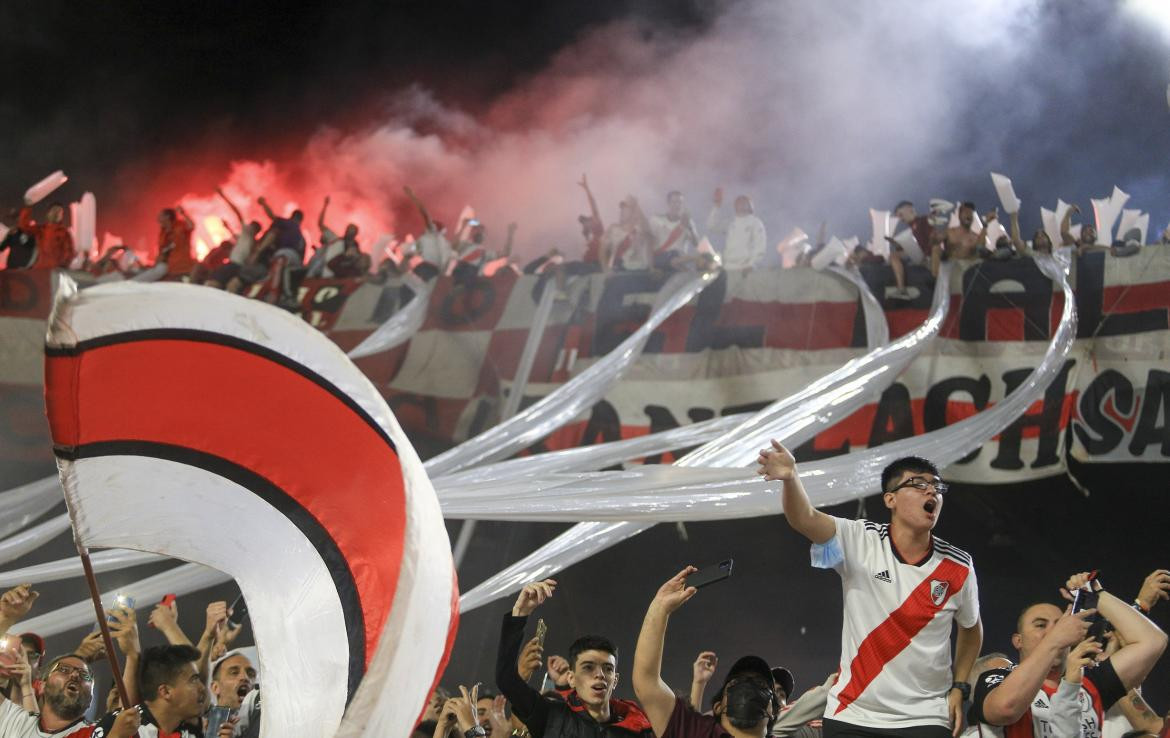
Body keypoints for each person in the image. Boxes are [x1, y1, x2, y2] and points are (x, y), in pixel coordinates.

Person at [757, 444, 982, 736]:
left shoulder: (958, 566)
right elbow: (806, 519)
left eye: (937, 487)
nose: (932, 493)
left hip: (926, 716)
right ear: (890, 499)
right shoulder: (860, 539)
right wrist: (790, 478)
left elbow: (971, 628)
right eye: (919, 484)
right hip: (854, 713)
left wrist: (960, 687)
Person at [968, 571, 1168, 737]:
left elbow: (1152, 642)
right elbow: (1005, 709)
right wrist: (1054, 641)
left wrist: (1096, 596)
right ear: (1018, 641)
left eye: (1059, 623)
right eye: (1040, 625)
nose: (1053, 630)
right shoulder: (999, 678)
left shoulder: (1089, 682)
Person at [632, 566, 781, 738]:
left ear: (773, 713)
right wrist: (660, 608)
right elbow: (647, 681)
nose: (748, 685)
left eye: (760, 685)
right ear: (717, 707)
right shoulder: (693, 731)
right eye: (735, 683)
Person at [496, 579, 653, 738]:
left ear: (616, 680)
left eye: (608, 668)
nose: (599, 674)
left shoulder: (637, 730)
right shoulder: (551, 717)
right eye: (588, 667)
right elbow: (506, 680)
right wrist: (520, 614)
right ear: (571, 678)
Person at [93, 645, 208, 738]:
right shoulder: (117, 724)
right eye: (193, 680)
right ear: (166, 692)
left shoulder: (194, 733)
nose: (202, 688)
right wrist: (116, 736)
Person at [0, 653, 106, 737]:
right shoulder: (16, 720)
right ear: (42, 686)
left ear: (91, 698)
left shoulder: (98, 732)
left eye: (84, 675)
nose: (75, 675)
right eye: (64, 669)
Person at [885, 200, 935, 299]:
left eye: (900, 214)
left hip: (928, 258)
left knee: (894, 256)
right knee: (893, 256)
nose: (900, 218)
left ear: (909, 209)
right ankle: (901, 289)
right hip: (918, 255)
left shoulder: (924, 221)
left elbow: (932, 240)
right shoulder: (911, 229)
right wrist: (895, 243)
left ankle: (901, 289)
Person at [707, 190, 767, 271]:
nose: (741, 204)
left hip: (746, 268)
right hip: (729, 266)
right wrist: (717, 206)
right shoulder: (731, 223)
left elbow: (760, 246)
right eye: (738, 202)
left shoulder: (755, 223)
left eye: (744, 202)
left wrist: (752, 264)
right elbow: (712, 225)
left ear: (750, 206)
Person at [404, 186, 453, 279]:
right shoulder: (438, 241)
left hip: (428, 267)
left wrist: (412, 195)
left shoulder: (433, 232)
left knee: (409, 282)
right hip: (434, 270)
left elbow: (424, 212)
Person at [309, 195, 361, 278]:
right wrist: (325, 206)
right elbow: (321, 224)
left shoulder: (355, 247)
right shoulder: (336, 240)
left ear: (355, 234)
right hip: (325, 273)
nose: (349, 232)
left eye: (352, 231)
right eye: (349, 230)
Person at [649, 191, 699, 268]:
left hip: (679, 259)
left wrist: (690, 228)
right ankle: (694, 259)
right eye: (674, 202)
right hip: (661, 259)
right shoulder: (656, 220)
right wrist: (651, 267)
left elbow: (696, 244)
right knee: (671, 256)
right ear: (668, 203)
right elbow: (648, 243)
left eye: (680, 202)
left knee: (676, 255)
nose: (677, 205)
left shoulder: (688, 222)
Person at [18, 202, 74, 270]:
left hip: (56, 270)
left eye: (60, 212)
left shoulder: (64, 233)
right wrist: (27, 209)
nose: (57, 213)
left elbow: (69, 252)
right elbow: (24, 227)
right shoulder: (41, 229)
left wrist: (62, 266)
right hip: (41, 268)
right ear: (48, 213)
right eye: (54, 210)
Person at [603, 197, 652, 271]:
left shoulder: (638, 229)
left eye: (625, 210)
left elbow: (646, 229)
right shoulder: (614, 229)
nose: (622, 212)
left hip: (637, 268)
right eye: (622, 210)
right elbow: (606, 251)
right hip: (619, 267)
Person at [156, 207, 196, 277]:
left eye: (161, 216)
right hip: (169, 270)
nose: (158, 218)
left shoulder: (180, 226)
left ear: (167, 217)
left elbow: (191, 226)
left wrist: (183, 214)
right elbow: (162, 252)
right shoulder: (163, 233)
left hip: (183, 268)